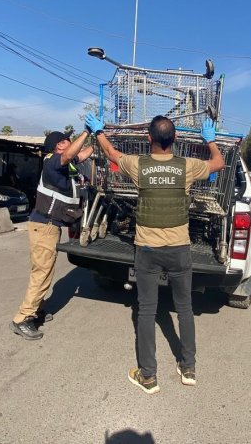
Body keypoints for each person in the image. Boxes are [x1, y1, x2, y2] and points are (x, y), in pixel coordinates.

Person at [85, 112, 225, 394]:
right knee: (184, 308)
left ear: (148, 139)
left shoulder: (139, 165)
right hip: (179, 248)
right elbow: (219, 163)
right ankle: (188, 368)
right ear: (174, 139)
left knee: (146, 310)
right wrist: (209, 140)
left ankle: (148, 376)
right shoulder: (187, 166)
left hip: (147, 249)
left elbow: (112, 154)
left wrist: (99, 131)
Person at [10, 130, 93, 340]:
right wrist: (87, 132)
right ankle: (22, 318)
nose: (69, 142)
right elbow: (69, 155)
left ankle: (36, 310)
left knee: (45, 271)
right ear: (58, 145)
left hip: (49, 226)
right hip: (44, 225)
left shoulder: (66, 163)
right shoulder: (52, 161)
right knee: (41, 273)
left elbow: (81, 155)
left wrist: (102, 140)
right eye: (66, 140)